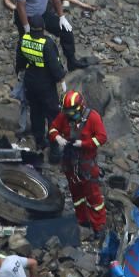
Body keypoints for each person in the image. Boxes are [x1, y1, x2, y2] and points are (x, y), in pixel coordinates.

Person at [48, 91, 108, 237]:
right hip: (70, 163)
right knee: (76, 193)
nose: (68, 115)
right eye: (66, 112)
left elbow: (101, 137)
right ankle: (82, 219)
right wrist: (58, 138)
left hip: (87, 163)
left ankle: (99, 226)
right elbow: (53, 128)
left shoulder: (92, 117)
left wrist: (84, 143)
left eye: (71, 112)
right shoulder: (64, 116)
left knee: (93, 196)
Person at [13, 0, 89, 71]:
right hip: (26, 16)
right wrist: (26, 27)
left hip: (42, 13)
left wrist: (62, 17)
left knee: (66, 31)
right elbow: (20, 7)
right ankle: (21, 69)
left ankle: (72, 62)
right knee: (26, 42)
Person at [15, 15, 66, 155]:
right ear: (43, 28)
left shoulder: (23, 39)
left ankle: (39, 142)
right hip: (46, 84)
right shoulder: (47, 43)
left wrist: (19, 74)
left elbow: (19, 62)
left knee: (36, 113)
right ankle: (54, 146)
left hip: (30, 81)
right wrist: (62, 77)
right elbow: (55, 66)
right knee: (52, 114)